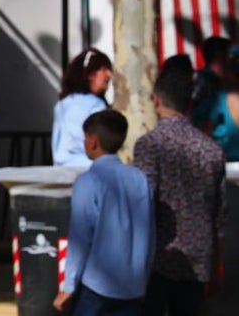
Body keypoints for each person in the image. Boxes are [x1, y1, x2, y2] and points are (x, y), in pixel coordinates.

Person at [135, 66, 227, 316]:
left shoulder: (149, 145)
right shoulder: (212, 150)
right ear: (190, 104)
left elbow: (143, 204)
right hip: (197, 261)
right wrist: (216, 265)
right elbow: (218, 218)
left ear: (156, 101)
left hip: (157, 258)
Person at [53, 109, 154, 316]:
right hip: (132, 286)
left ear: (93, 141)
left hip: (97, 285)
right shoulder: (140, 179)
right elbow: (150, 234)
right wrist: (143, 278)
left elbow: (80, 238)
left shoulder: (88, 181)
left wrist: (68, 286)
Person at [52, 48, 113, 167]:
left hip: (60, 169)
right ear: (90, 74)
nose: (109, 74)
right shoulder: (96, 105)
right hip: (88, 168)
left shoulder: (63, 103)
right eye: (103, 69)